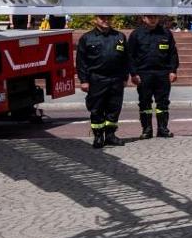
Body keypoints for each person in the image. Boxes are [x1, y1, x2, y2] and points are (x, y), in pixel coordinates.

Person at [76, 14, 129, 148]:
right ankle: (98, 136)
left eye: (109, 18)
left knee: (114, 108)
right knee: (97, 109)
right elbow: (81, 62)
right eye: (102, 18)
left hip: (116, 79)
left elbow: (126, 60)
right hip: (97, 79)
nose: (106, 21)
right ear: (95, 20)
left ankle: (110, 136)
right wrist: (84, 80)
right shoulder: (87, 38)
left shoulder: (120, 37)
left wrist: (125, 77)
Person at [129, 14, 179, 139]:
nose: (152, 19)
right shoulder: (136, 34)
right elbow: (130, 56)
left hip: (162, 74)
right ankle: (147, 130)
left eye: (155, 17)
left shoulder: (166, 33)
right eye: (149, 17)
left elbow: (172, 53)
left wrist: (173, 71)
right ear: (143, 18)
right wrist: (133, 73)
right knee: (145, 103)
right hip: (143, 74)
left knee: (163, 103)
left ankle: (163, 129)